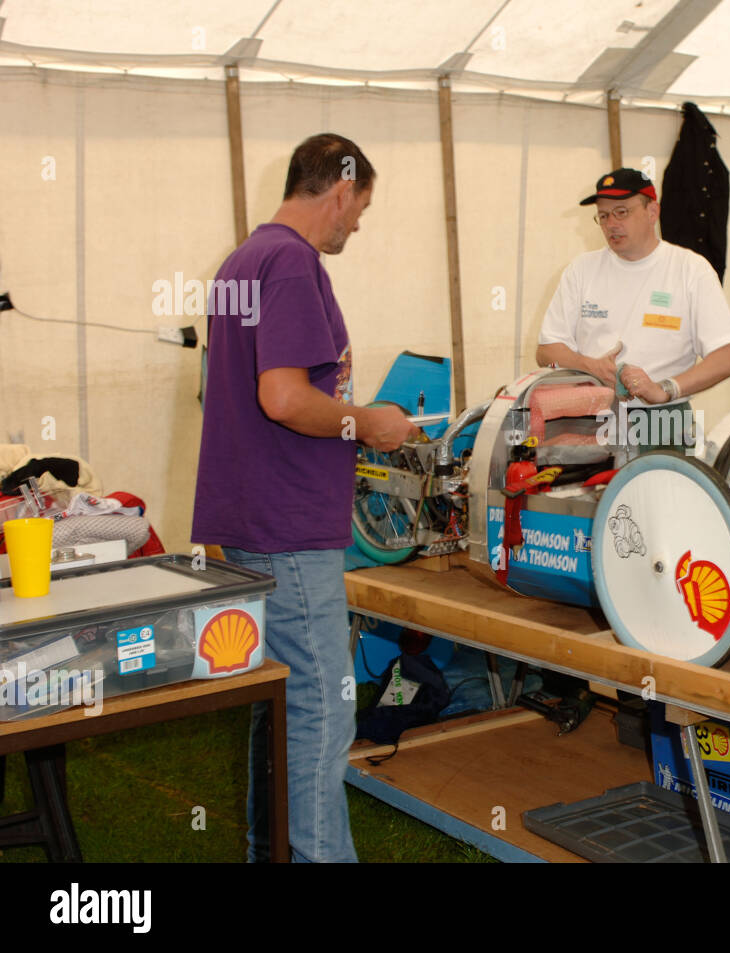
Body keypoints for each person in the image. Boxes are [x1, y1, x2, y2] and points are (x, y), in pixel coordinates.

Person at [192, 133, 418, 862]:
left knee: (282, 705)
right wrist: (368, 421)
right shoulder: (292, 261)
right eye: (363, 207)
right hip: (286, 529)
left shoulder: (242, 260)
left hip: (250, 517)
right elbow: (284, 396)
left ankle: (272, 851)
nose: (359, 223)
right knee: (322, 710)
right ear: (342, 190)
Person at [536, 168, 730, 452]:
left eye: (622, 212)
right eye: (604, 216)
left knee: (657, 495)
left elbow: (727, 358)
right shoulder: (582, 270)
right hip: (590, 416)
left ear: (652, 211)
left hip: (662, 423)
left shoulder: (689, 270)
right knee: (586, 495)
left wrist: (664, 389)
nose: (611, 224)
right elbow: (547, 351)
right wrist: (590, 366)